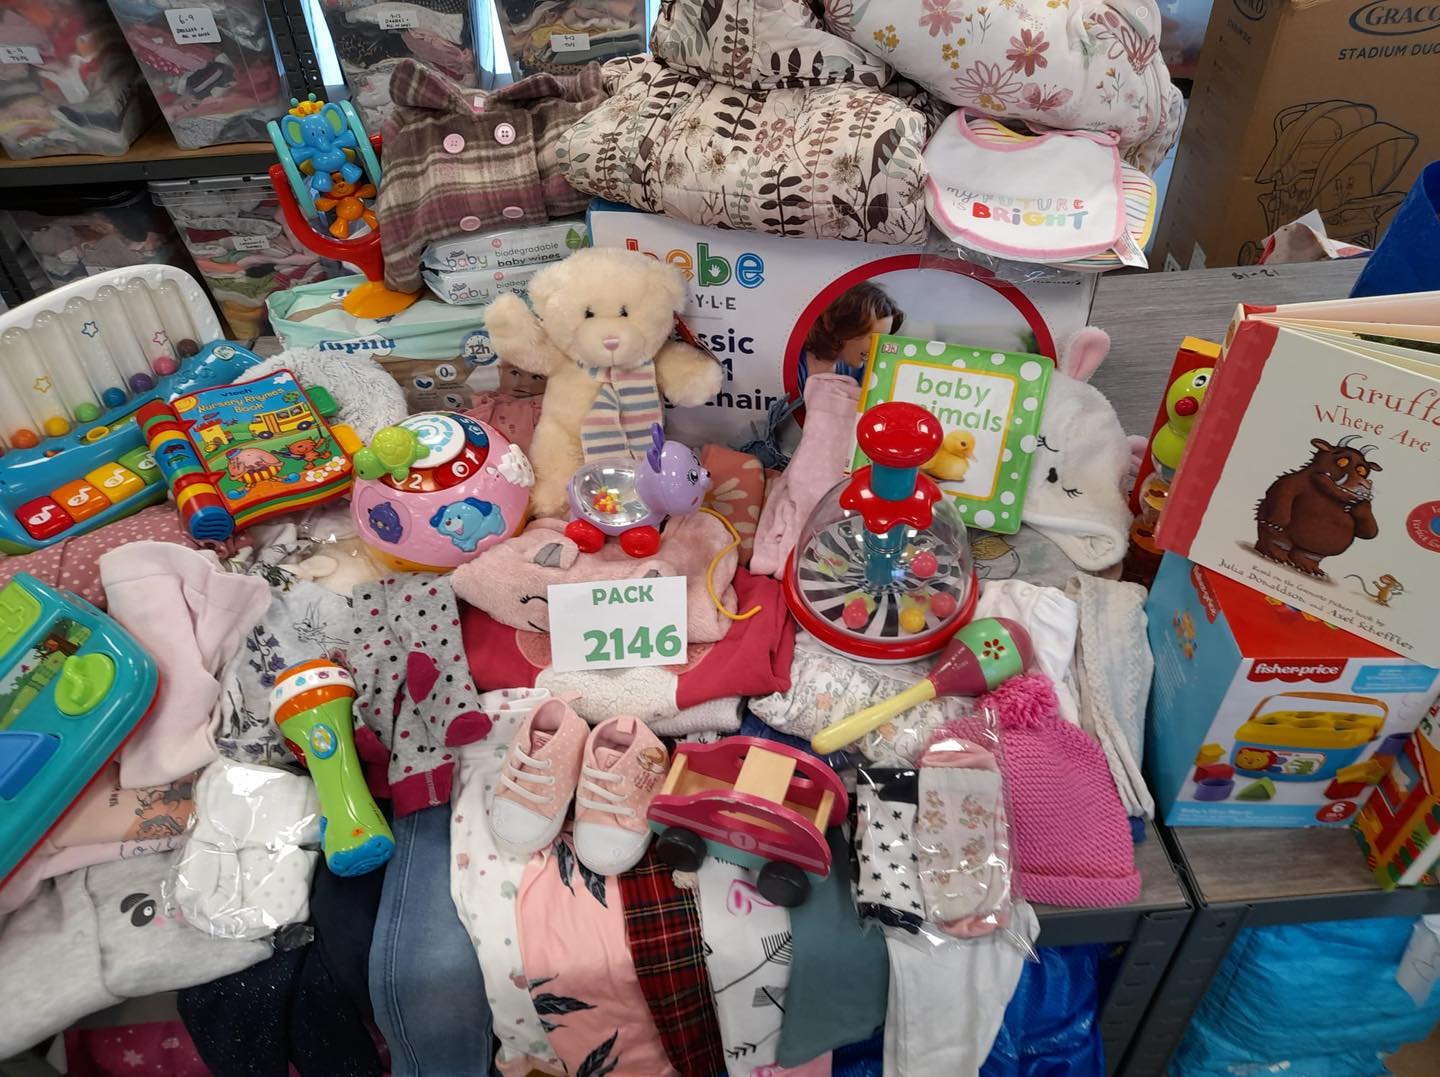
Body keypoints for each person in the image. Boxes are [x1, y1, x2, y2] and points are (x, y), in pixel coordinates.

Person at [796, 282, 904, 393]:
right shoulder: (795, 366)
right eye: (874, 337)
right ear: (845, 329)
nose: (880, 346)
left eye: (884, 338)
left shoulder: (856, 372)